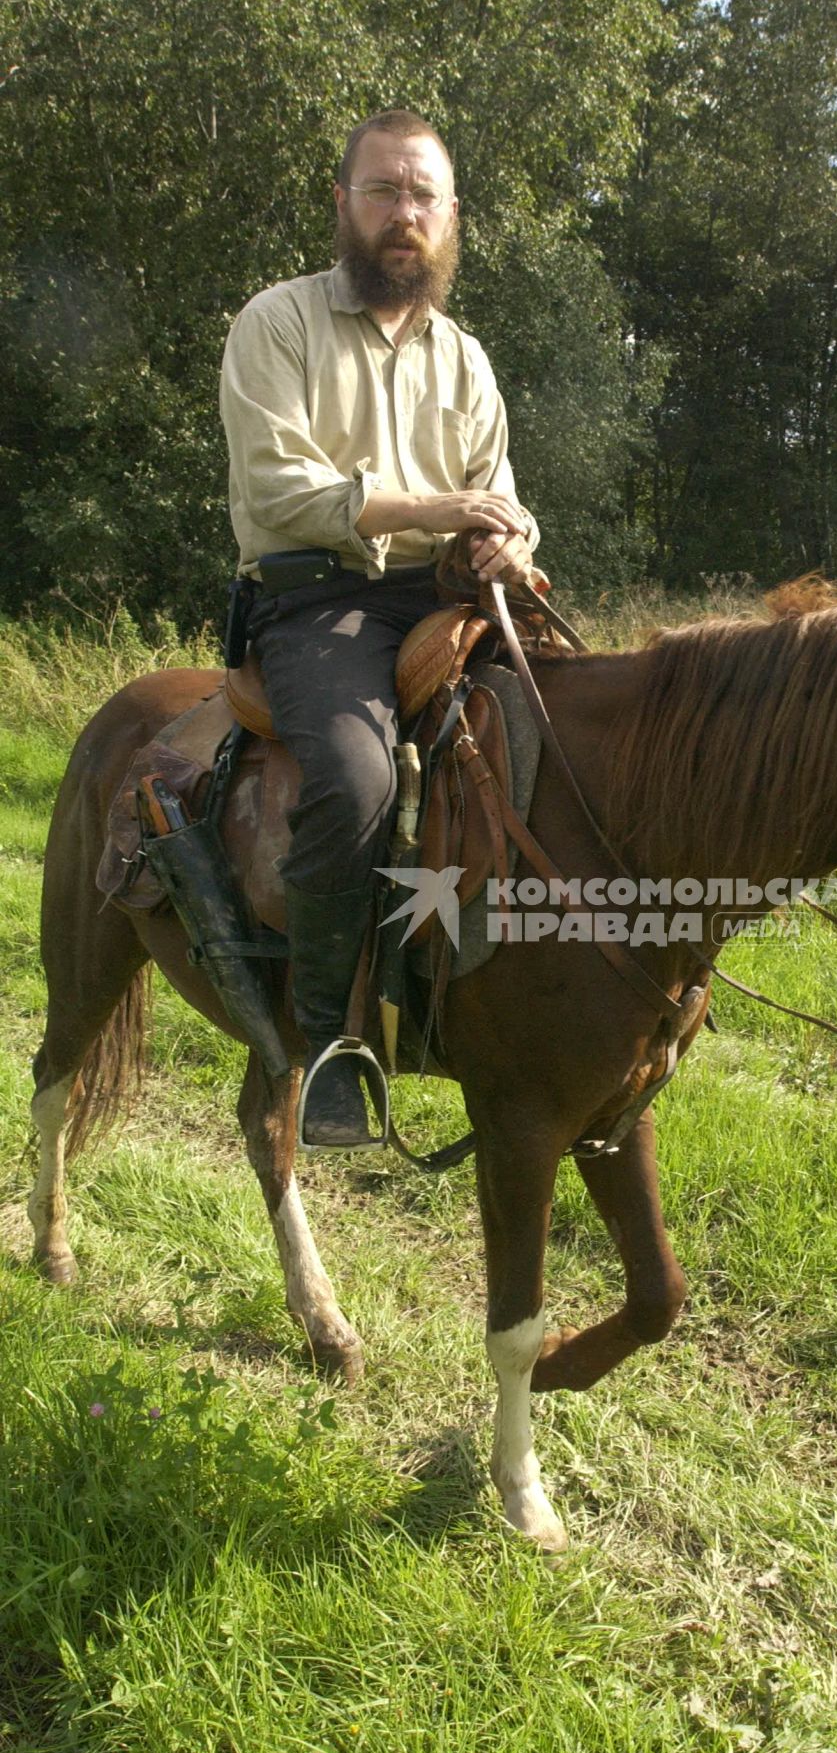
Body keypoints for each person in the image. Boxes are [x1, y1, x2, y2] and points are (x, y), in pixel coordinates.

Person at [220, 108, 540, 1147]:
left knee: (581, 726)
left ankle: (535, 993)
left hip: (445, 597)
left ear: (452, 220)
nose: (404, 214)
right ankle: (328, 1048)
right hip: (317, 600)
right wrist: (443, 511)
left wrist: (510, 541)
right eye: (383, 191)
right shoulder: (277, 323)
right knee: (356, 781)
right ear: (344, 205)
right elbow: (282, 490)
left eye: (423, 197)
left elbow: (501, 495)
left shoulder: (468, 360)